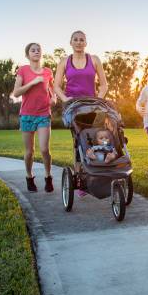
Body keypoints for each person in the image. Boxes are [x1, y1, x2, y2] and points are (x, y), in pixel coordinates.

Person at [54, 30, 108, 195]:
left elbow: (104, 85)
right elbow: (56, 86)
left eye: (81, 40)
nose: (78, 42)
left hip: (92, 106)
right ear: (71, 42)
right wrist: (66, 100)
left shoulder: (94, 59)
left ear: (86, 43)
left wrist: (97, 100)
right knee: (79, 141)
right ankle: (80, 176)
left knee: (95, 138)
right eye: (75, 40)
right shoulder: (64, 61)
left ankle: (97, 171)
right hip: (73, 107)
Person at [13, 42, 56, 192]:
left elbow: (51, 90)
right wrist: (33, 82)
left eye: (38, 50)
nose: (36, 52)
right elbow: (16, 93)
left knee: (44, 149)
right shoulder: (23, 70)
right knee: (29, 152)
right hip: (27, 115)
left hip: (44, 114)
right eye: (33, 50)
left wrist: (54, 98)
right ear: (27, 55)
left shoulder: (47, 72)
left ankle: (48, 177)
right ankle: (29, 177)